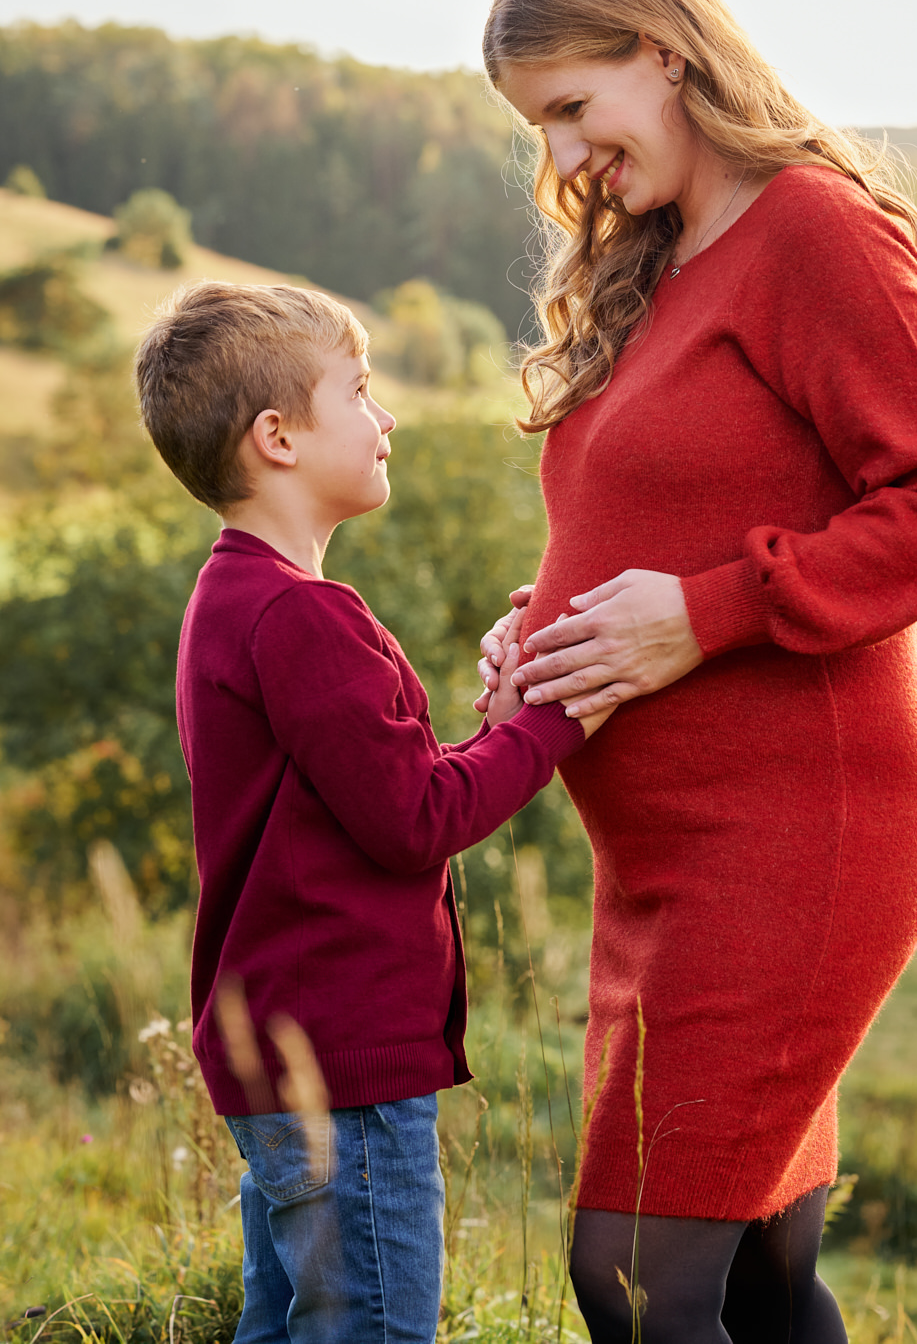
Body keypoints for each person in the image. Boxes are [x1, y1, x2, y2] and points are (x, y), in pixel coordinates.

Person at [476, 0, 917, 1343]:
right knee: (761, 1284)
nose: (568, 156)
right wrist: (541, 625)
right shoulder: (652, 268)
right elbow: (654, 515)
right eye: (545, 127)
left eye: (576, 108)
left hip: (791, 843)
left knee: (637, 1278)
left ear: (663, 49)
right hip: (656, 865)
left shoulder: (812, 231)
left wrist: (706, 618)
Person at [134, 280, 607, 1344]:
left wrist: (501, 727)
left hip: (289, 1057)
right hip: (345, 1069)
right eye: (359, 390)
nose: (384, 416)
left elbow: (368, 795)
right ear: (279, 439)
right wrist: (561, 717)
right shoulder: (302, 616)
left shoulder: (233, 600)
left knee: (290, 1325)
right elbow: (416, 819)